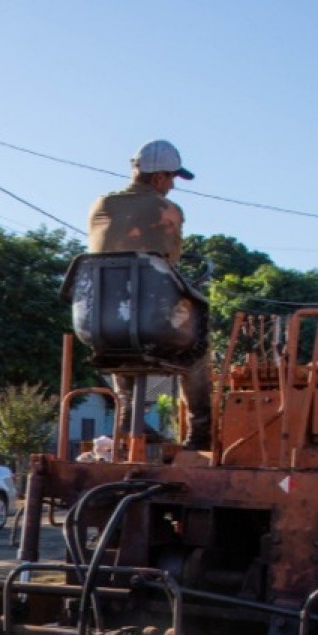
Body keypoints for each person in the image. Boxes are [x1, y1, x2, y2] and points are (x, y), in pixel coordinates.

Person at [87, 139, 213, 451]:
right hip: (154, 325)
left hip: (99, 326)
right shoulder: (167, 210)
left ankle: (129, 418)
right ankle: (201, 430)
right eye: (171, 178)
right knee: (196, 349)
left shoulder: (100, 205)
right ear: (158, 178)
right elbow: (170, 259)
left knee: (120, 340)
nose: (172, 186)